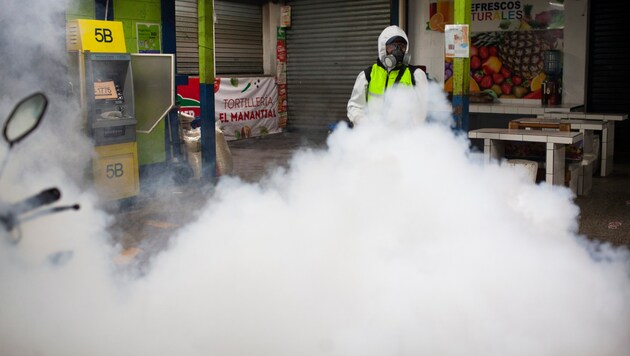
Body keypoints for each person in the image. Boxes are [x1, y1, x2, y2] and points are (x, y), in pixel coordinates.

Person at [347, 25, 429, 125]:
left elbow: (421, 113)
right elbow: (355, 106)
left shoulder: (416, 75)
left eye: (402, 46)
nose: (398, 51)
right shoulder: (368, 75)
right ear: (383, 48)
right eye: (393, 46)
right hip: (373, 136)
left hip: (403, 138)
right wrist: (364, 124)